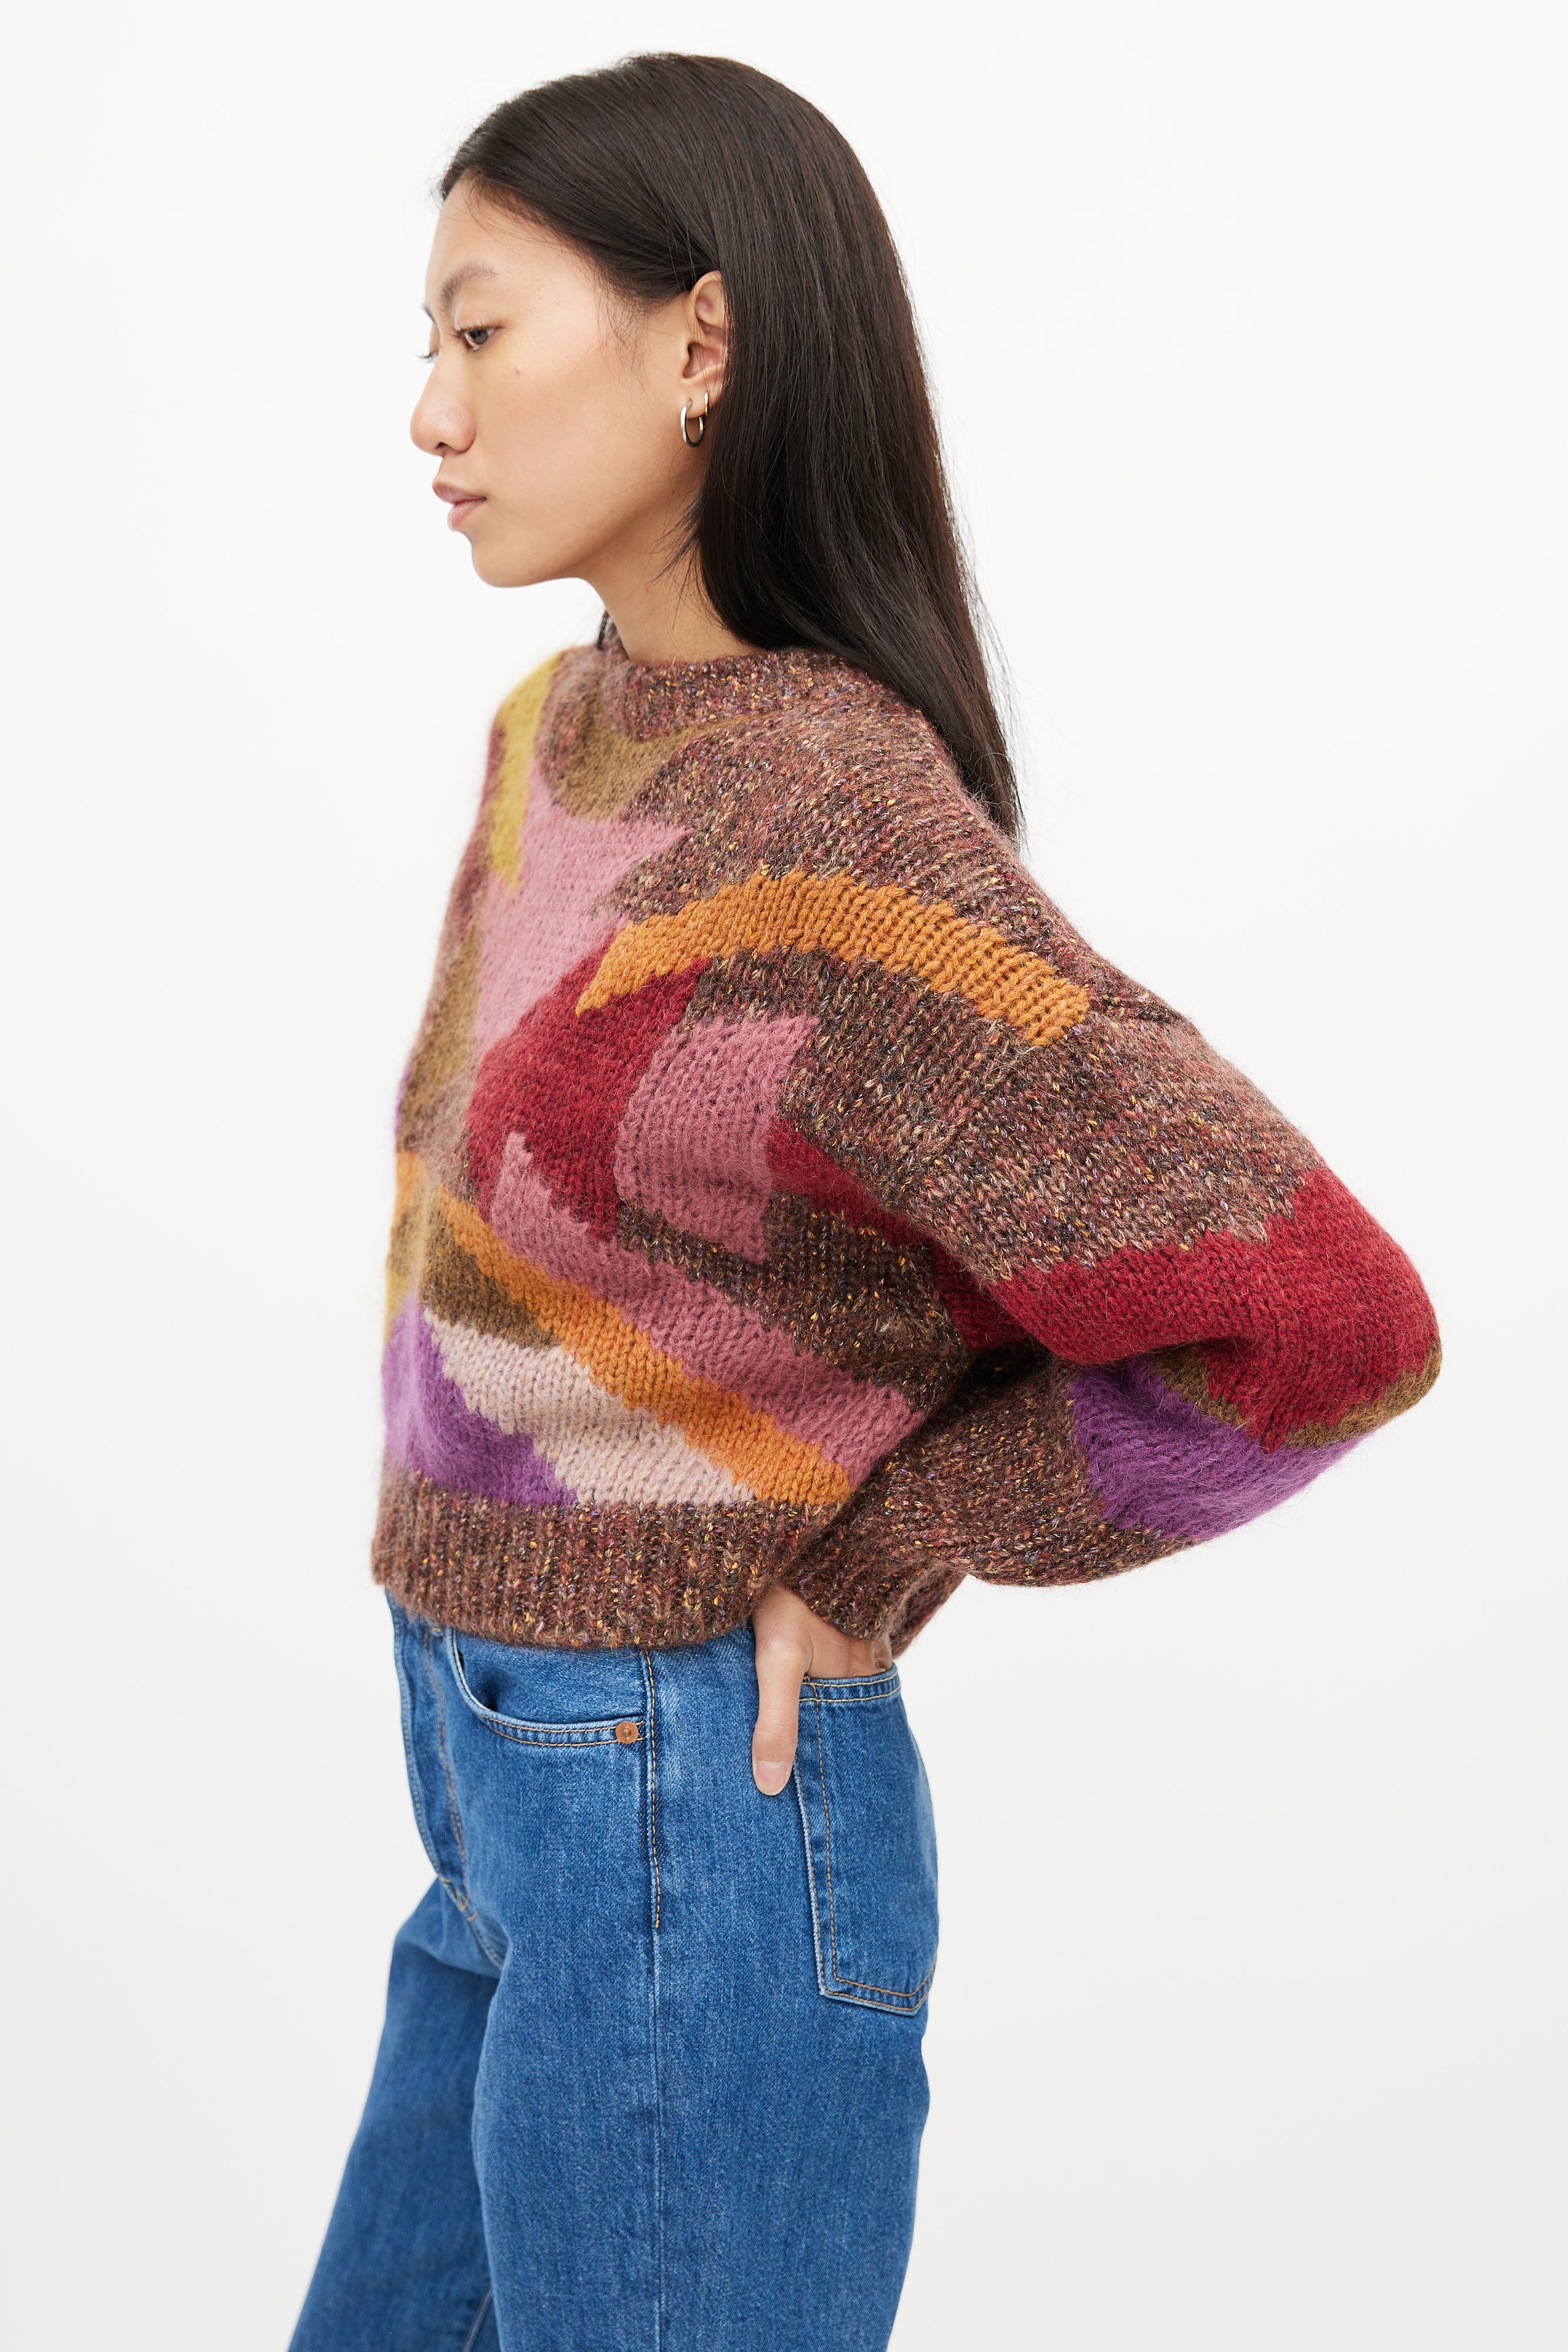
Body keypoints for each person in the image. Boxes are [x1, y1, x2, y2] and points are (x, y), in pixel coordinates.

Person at [289, 52, 1440, 2352]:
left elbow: (1326, 1321)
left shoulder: (830, 836)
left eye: (481, 330)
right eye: (424, 343)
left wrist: (895, 1541)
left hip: (680, 1831)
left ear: (700, 346)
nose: (431, 411)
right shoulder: (553, 739)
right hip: (495, 1809)